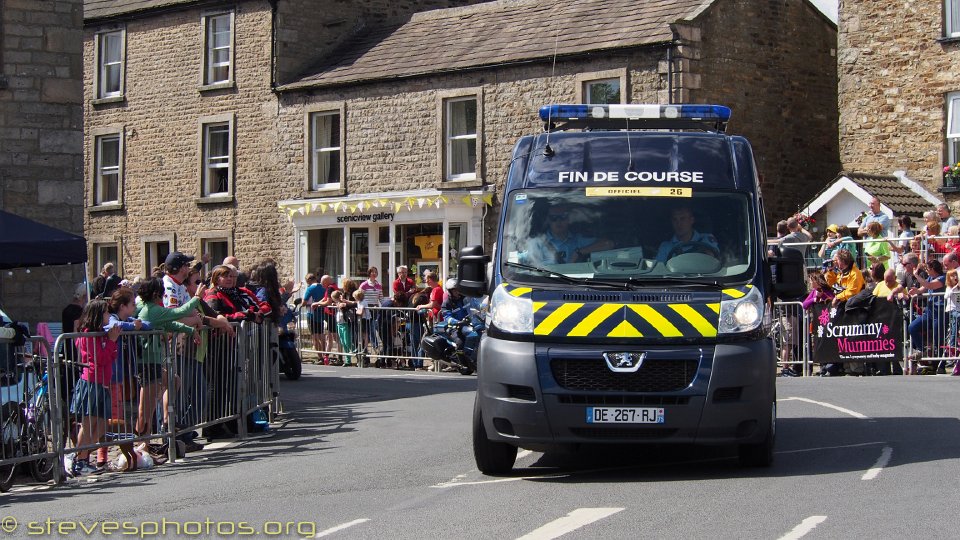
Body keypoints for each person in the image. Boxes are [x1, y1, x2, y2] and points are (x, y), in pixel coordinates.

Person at [135, 277, 201, 439]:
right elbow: (179, 312)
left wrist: (190, 330)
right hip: (147, 363)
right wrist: (197, 298)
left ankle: (166, 420)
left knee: (174, 380)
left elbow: (170, 324)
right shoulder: (153, 310)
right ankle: (143, 443)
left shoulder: (154, 309)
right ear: (157, 294)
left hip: (154, 362)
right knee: (146, 409)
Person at [63, 299, 122, 477]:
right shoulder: (87, 334)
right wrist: (111, 342)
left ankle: (80, 454)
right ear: (97, 315)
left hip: (102, 382)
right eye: (105, 313)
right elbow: (99, 359)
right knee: (89, 425)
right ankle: (80, 460)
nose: (108, 316)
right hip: (92, 382)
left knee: (103, 424)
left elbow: (112, 356)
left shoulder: (100, 334)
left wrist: (111, 342)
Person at [527, 202, 614, 264]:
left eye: (563, 217)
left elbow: (608, 244)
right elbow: (528, 267)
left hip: (576, 283)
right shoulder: (537, 242)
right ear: (548, 221)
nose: (558, 221)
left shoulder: (577, 240)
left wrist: (579, 252)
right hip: (545, 284)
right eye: (554, 218)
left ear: (568, 219)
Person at [907, 260, 946, 373]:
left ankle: (940, 365)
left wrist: (916, 275)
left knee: (938, 340)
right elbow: (922, 289)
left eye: (928, 269)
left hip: (939, 312)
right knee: (912, 327)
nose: (927, 272)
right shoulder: (929, 278)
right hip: (929, 312)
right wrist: (916, 291)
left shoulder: (942, 278)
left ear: (933, 269)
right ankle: (921, 350)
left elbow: (930, 286)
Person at [302, 274, 325, 359]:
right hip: (321, 313)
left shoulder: (310, 288)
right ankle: (325, 355)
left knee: (314, 336)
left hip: (312, 314)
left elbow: (303, 303)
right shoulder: (323, 287)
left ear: (308, 280)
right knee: (321, 334)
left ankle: (320, 357)